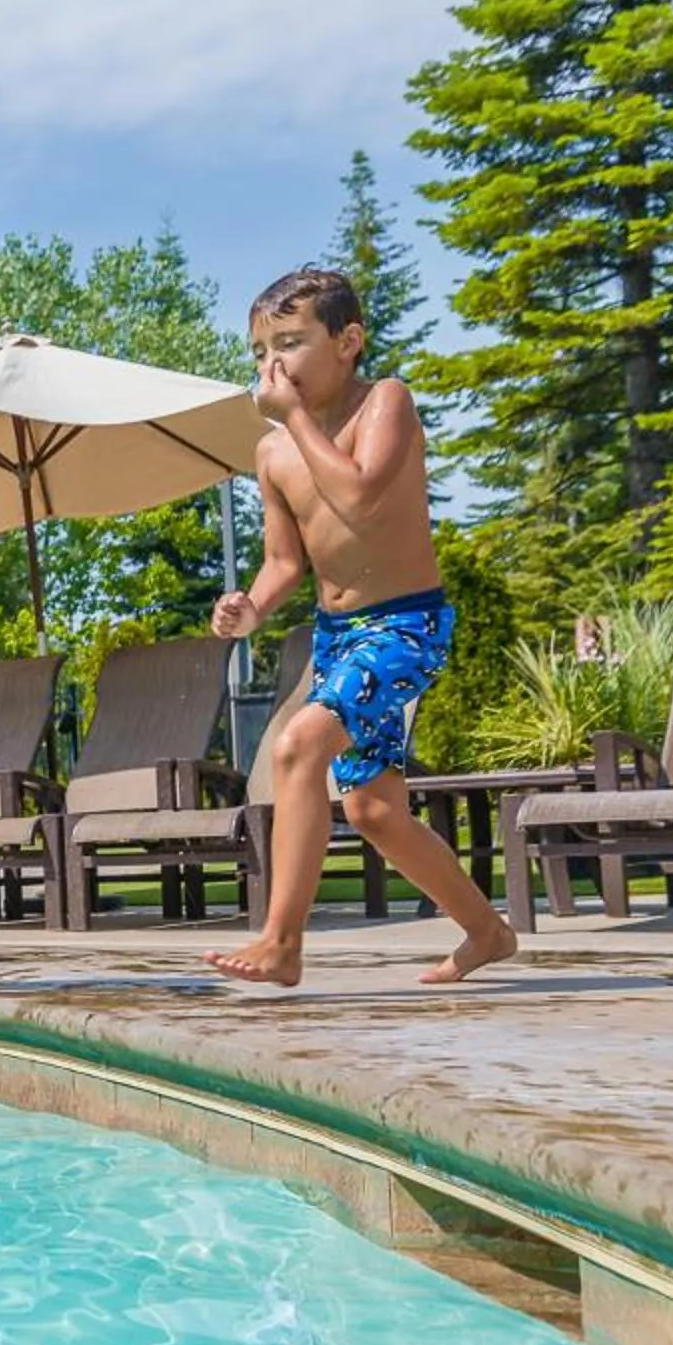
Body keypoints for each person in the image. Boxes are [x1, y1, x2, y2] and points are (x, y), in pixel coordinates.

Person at [206, 268, 519, 988]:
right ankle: (487, 932)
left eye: (289, 343)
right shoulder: (273, 452)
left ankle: (282, 944)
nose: (272, 366)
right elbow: (285, 559)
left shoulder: (386, 402)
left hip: (407, 625)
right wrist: (251, 606)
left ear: (348, 341)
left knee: (296, 746)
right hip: (338, 635)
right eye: (259, 352)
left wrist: (295, 419)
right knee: (374, 809)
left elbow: (359, 492)